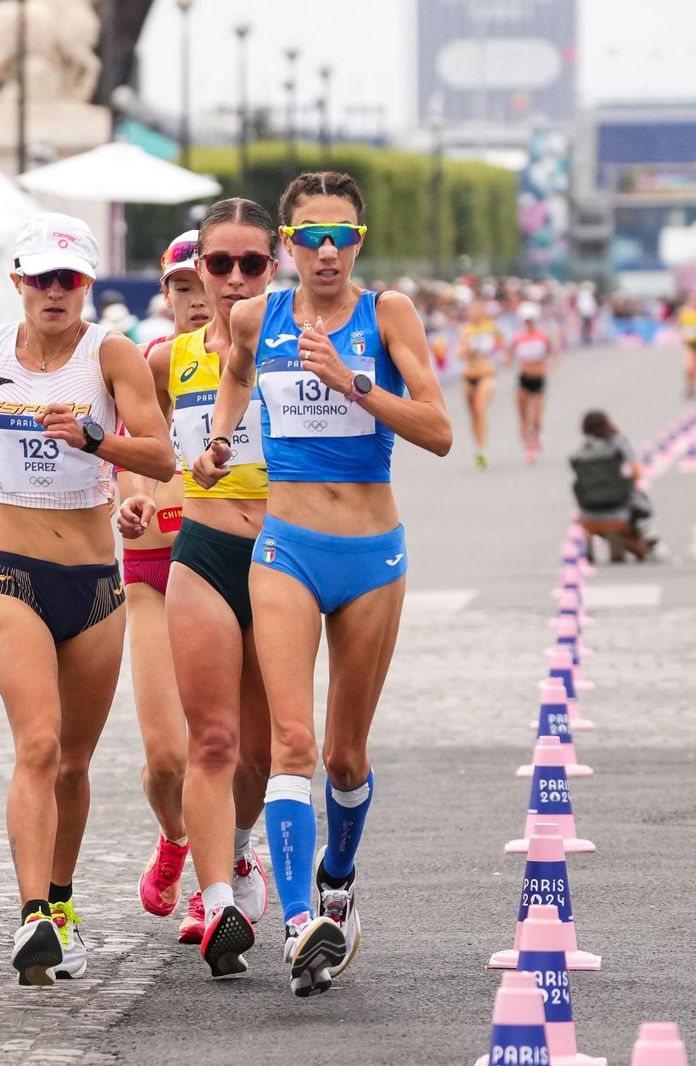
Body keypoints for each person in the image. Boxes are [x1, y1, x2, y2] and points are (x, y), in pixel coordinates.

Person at [196, 172, 451, 998]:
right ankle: (301, 920)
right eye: (311, 237)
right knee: (292, 743)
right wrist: (222, 438)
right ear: (289, 245)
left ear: (359, 242)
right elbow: (236, 374)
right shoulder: (255, 316)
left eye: (342, 236)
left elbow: (439, 431)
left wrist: (352, 381)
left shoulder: (389, 315)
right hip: (287, 548)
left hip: (372, 555)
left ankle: (337, 877)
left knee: (344, 756)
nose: (328, 251)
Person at [0, 212, 175, 985]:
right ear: (17, 281)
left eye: (70, 279)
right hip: (12, 574)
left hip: (94, 585)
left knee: (74, 765)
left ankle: (60, 903)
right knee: (38, 744)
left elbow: (161, 455)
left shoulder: (109, 353)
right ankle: (32, 917)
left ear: (86, 285)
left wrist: (96, 443)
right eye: (41, 278)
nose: (55, 291)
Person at [148, 203, 280, 975]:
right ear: (198, 270)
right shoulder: (168, 359)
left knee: (262, 754)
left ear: (273, 267)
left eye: (250, 264)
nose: (233, 279)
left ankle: (236, 848)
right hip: (201, 549)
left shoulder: (295, 347)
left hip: (282, 556)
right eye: (218, 264)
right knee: (213, 741)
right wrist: (136, 493)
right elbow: (144, 441)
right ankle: (216, 901)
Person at [116, 231, 199, 928]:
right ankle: (176, 837)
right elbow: (128, 456)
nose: (198, 299)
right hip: (151, 570)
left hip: (231, 570)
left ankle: (224, 868)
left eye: (209, 282)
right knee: (168, 757)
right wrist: (133, 499)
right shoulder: (144, 368)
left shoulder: (250, 366)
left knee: (228, 749)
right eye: (183, 287)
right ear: (165, 293)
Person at [570, 409, 655, 559]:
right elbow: (636, 471)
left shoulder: (581, 450)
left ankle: (592, 543)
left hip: (588, 512)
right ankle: (645, 543)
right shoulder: (618, 442)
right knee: (640, 503)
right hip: (619, 511)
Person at [456, 300, 503, 470]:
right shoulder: (465, 330)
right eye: (470, 311)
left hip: (486, 374)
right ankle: (478, 447)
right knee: (473, 414)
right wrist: (469, 350)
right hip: (469, 376)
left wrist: (503, 354)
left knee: (480, 408)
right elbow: (459, 352)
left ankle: (483, 449)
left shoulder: (491, 327)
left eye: (476, 310)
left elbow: (502, 344)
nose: (473, 313)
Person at [511, 303, 555, 462]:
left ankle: (535, 436)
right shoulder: (518, 337)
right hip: (524, 378)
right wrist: (508, 359)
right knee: (523, 416)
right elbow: (508, 353)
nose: (528, 323)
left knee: (536, 418)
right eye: (526, 321)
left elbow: (553, 352)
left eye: (531, 320)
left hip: (539, 379)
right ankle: (529, 448)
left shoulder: (543, 336)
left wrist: (549, 366)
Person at [677, 292, 696, 400]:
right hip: (689, 344)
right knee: (689, 367)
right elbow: (679, 325)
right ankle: (690, 387)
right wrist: (682, 336)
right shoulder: (683, 311)